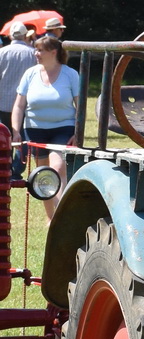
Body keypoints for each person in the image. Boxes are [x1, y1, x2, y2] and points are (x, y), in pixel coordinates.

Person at [11, 35, 81, 221]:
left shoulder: (70, 74)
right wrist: (16, 131)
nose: (36, 53)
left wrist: (77, 131)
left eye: (40, 50)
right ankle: (52, 221)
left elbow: (80, 106)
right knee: (42, 177)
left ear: (53, 52)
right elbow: (19, 106)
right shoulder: (30, 74)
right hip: (34, 129)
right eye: (36, 49)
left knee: (58, 169)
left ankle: (61, 217)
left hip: (63, 128)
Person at [0, 23, 37, 180]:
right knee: (23, 139)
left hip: (2, 102)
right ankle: (16, 169)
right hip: (25, 104)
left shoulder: (1, 52)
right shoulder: (33, 53)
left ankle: (3, 168)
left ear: (9, 36)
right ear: (25, 35)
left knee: (2, 139)